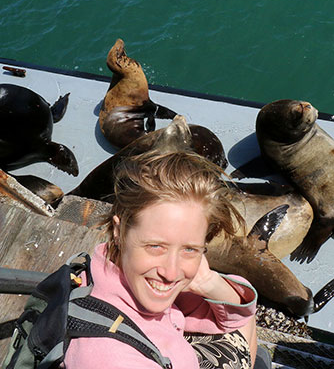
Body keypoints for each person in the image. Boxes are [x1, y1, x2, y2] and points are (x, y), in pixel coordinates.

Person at [63, 151, 258, 369]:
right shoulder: (109, 358)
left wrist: (208, 282)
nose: (171, 272)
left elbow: (237, 314)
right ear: (119, 231)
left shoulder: (112, 269)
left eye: (190, 249)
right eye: (155, 246)